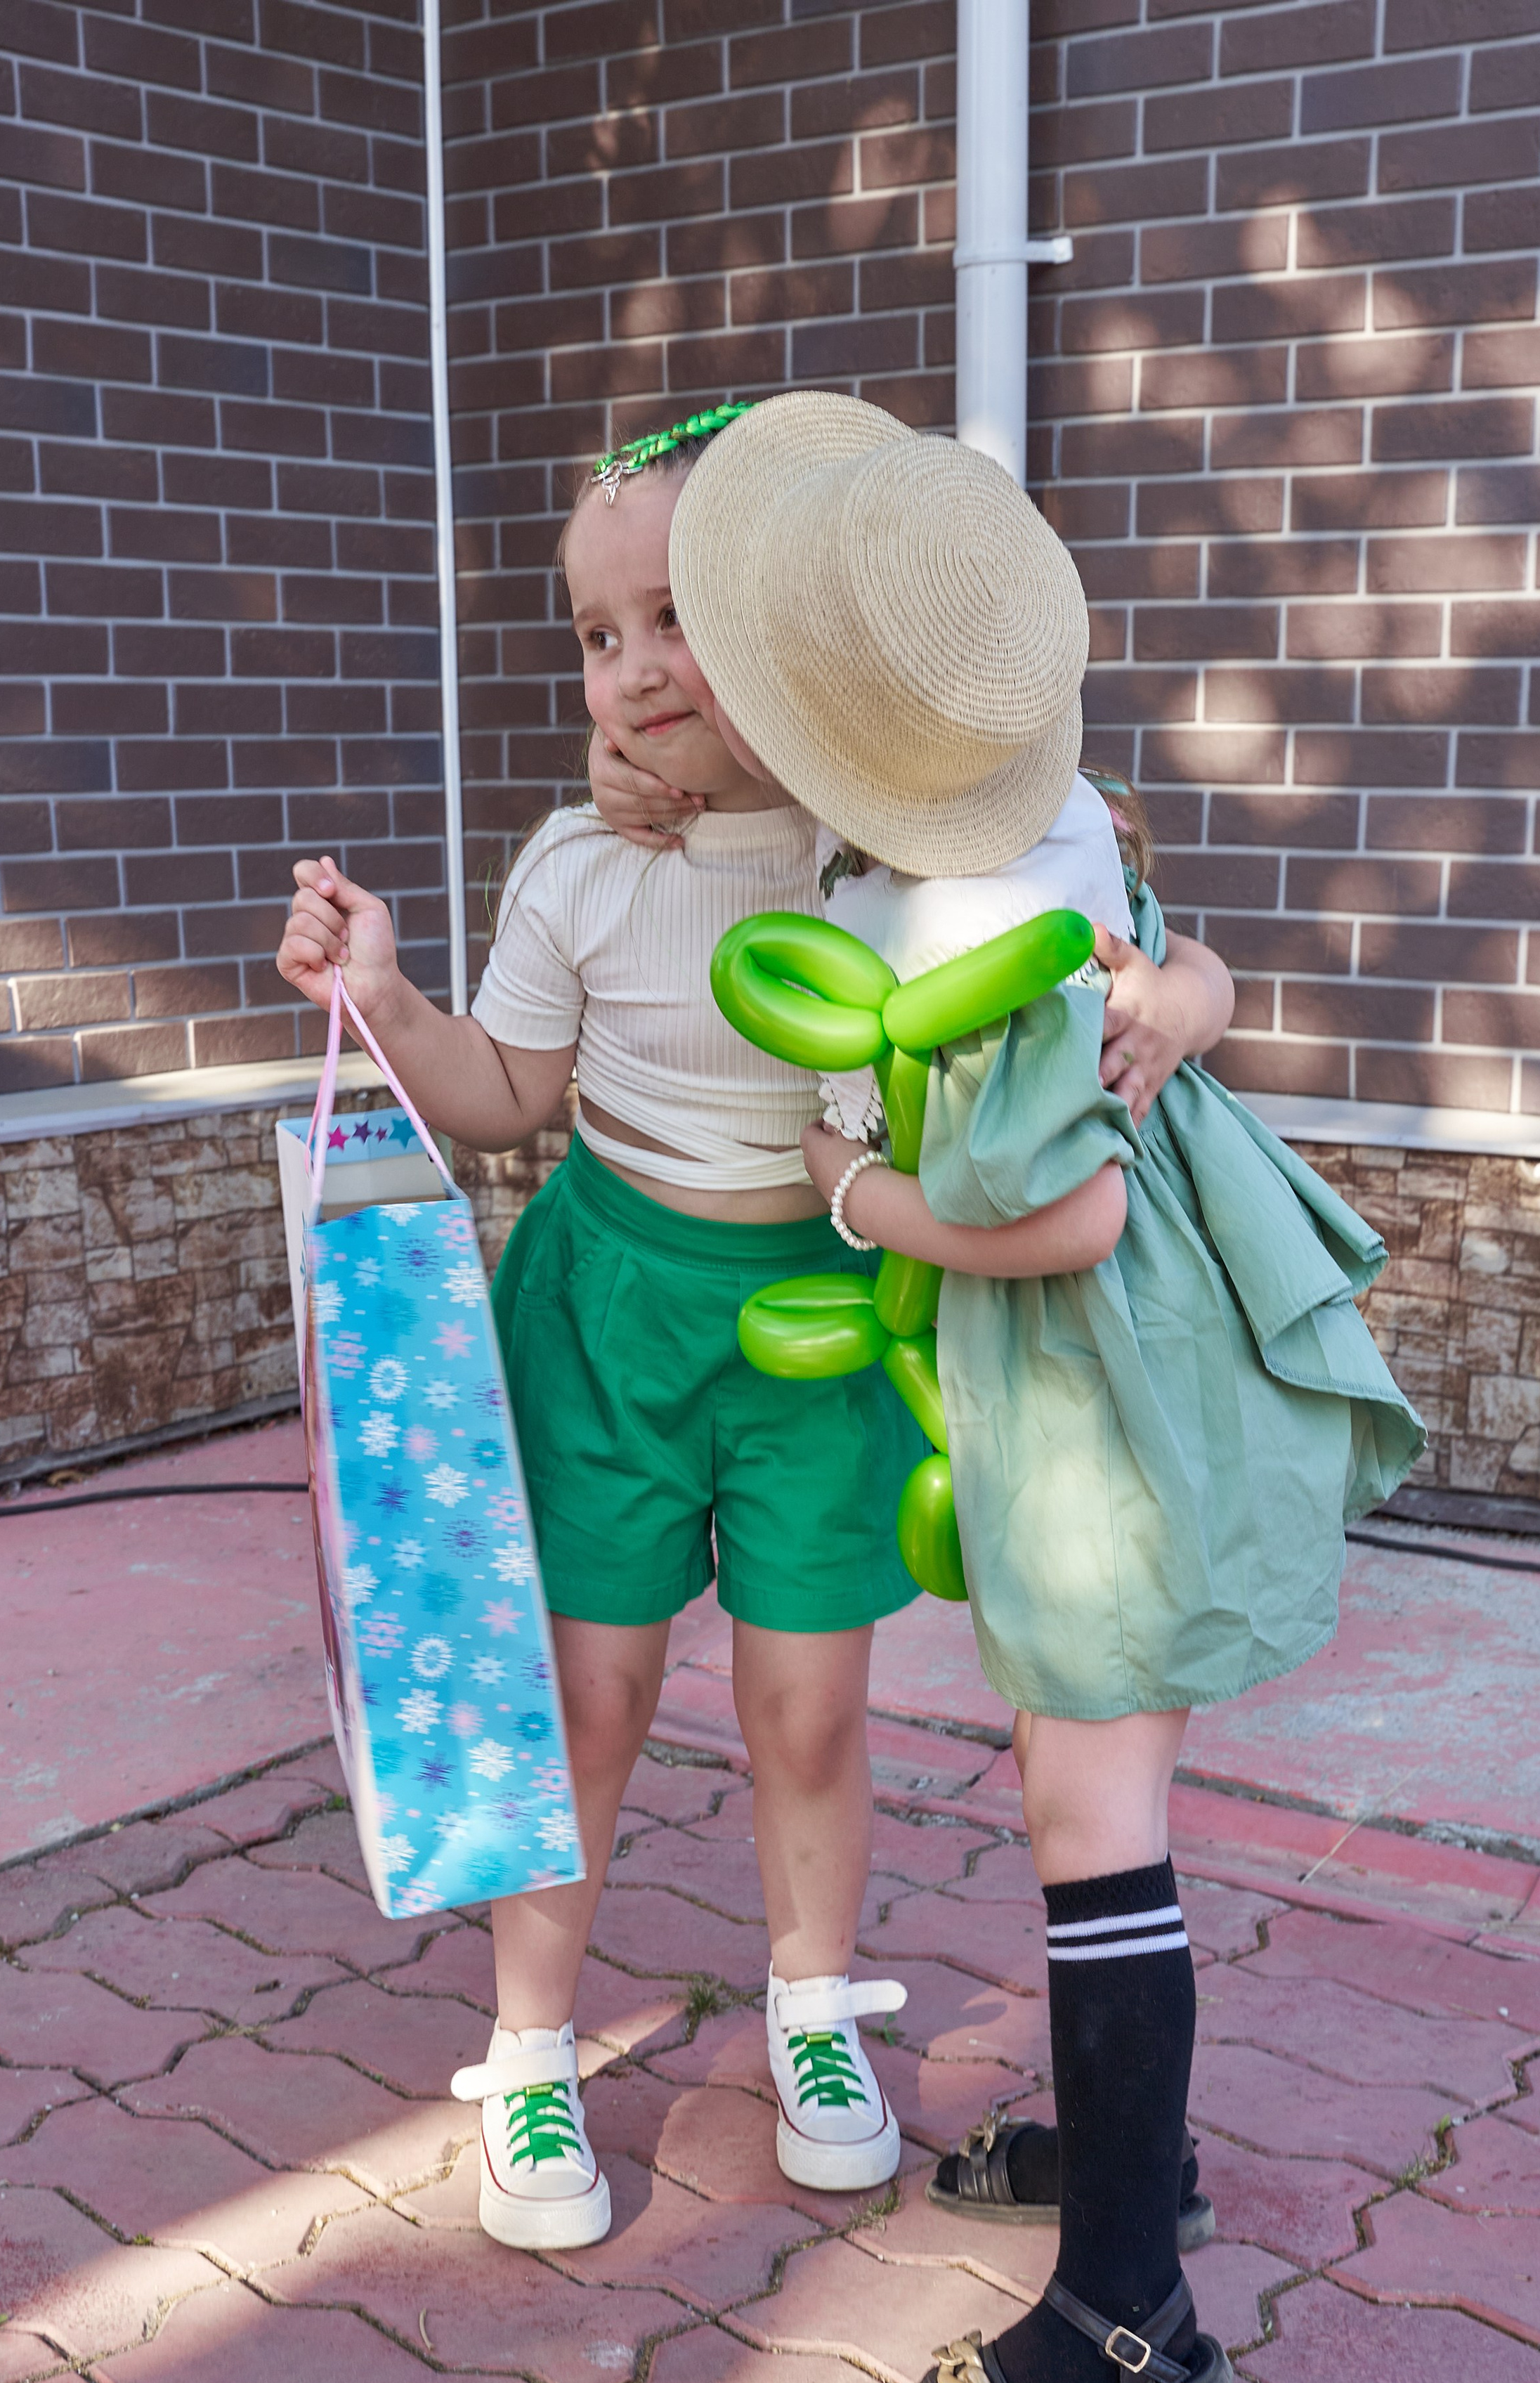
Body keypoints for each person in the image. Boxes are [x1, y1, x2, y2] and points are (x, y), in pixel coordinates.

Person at [275, 401, 1236, 2262]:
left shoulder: (884, 842)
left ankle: (811, 2016)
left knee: (807, 1709)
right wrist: (384, 996)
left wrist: (1183, 991)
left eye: (671, 620)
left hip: (826, 1323)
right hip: (612, 1312)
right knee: (594, 1699)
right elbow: (507, 1100)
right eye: (594, 633)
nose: (631, 671)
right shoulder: (576, 863)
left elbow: (1123, 923)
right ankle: (532, 2047)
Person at [662, 391, 1425, 2383]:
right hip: (1124, 1367)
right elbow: (1191, 975)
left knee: (1096, 1815)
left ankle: (1128, 2308)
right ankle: (1126, 2157)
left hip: (1097, 1383)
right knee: (1078, 1779)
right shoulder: (1052, 825)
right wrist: (1195, 1004)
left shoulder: (944, 928)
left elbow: (1064, 1211)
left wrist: (850, 1192)